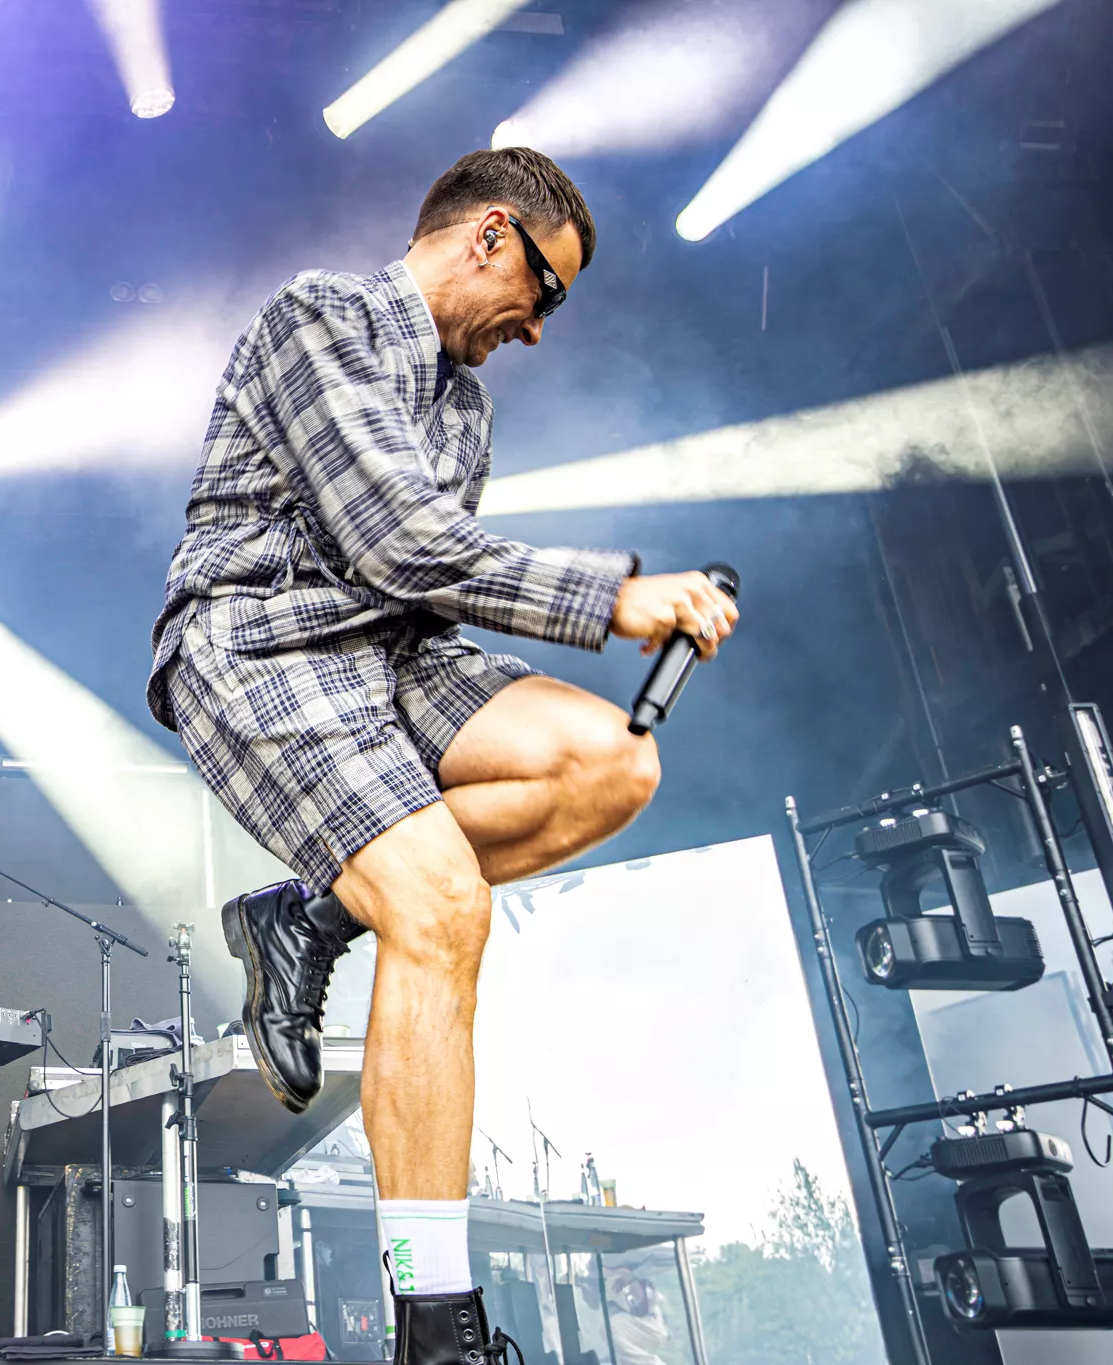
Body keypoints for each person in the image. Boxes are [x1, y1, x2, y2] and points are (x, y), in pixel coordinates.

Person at [146, 147, 739, 1365]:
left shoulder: (464, 410)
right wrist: (611, 598)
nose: (539, 327)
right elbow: (400, 543)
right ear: (487, 235)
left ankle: (309, 917)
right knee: (441, 910)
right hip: (260, 642)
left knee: (612, 763)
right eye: (543, 289)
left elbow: (424, 592)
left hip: (396, 654)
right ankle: (435, 1324)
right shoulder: (321, 317)